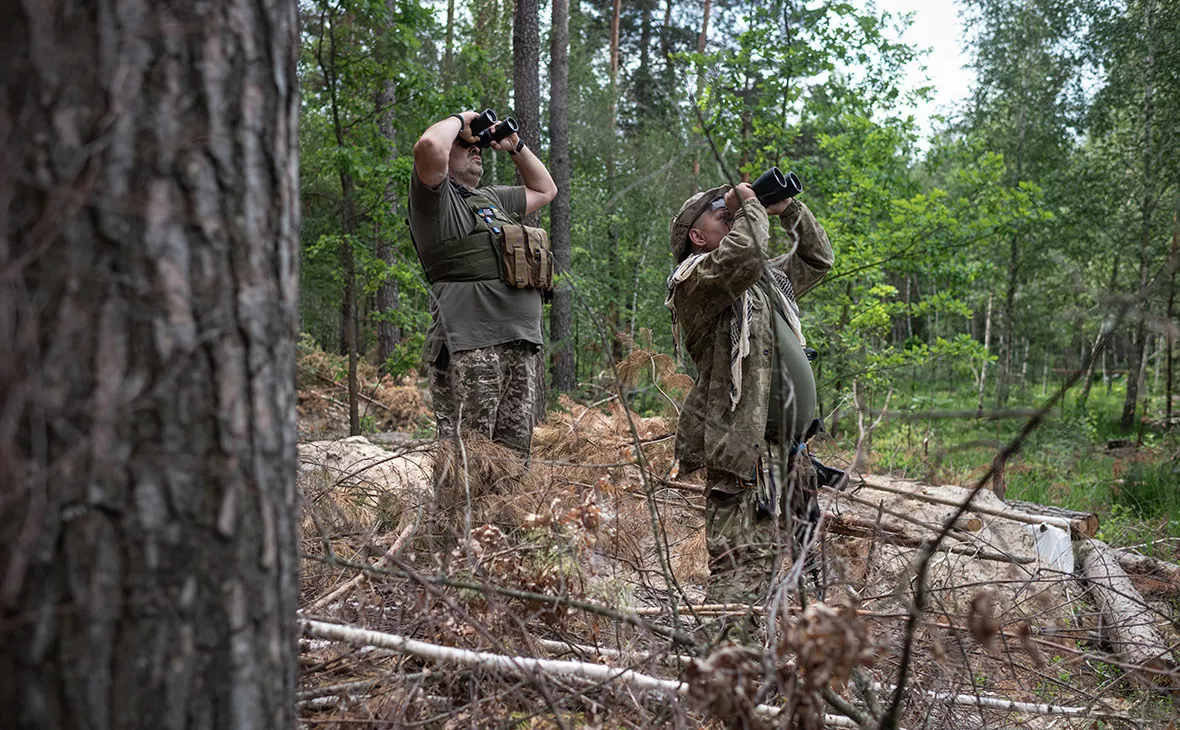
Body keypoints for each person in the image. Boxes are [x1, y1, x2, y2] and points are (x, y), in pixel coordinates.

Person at [665, 181, 833, 608]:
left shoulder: (763, 281)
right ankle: (720, 663)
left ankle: (770, 660)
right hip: (743, 450)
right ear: (696, 236)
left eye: (729, 204)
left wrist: (790, 208)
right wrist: (750, 206)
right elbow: (743, 252)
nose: (726, 206)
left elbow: (817, 257)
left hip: (788, 451)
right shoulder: (698, 281)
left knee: (800, 566)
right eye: (714, 207)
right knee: (741, 565)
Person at [408, 110, 558, 456]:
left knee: (510, 463)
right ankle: (456, 515)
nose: (476, 149)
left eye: (478, 147)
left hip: (520, 343)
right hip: (470, 344)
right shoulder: (434, 200)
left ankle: (503, 515)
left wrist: (514, 145)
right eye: (465, 145)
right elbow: (429, 145)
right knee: (467, 462)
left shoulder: (492, 199)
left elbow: (545, 188)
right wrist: (461, 120)